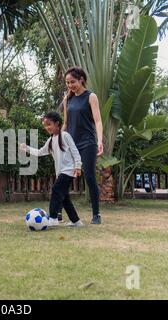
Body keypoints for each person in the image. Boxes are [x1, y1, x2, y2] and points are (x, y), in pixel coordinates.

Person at [20, 112, 84, 227]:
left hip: (68, 171)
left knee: (56, 190)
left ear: (57, 124)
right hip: (61, 173)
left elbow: (75, 151)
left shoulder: (65, 136)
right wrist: (27, 148)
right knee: (65, 198)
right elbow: (40, 152)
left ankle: (53, 218)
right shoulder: (51, 140)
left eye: (49, 124)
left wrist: (78, 166)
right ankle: (76, 221)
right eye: (45, 125)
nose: (47, 127)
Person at [61, 67, 103, 225]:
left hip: (88, 143)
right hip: (71, 143)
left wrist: (99, 141)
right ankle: (59, 212)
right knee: (63, 177)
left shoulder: (91, 96)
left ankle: (96, 214)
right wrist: (57, 139)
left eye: (72, 82)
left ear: (81, 80)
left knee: (90, 177)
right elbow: (65, 123)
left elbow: (98, 120)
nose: (70, 85)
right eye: (67, 83)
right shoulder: (67, 99)